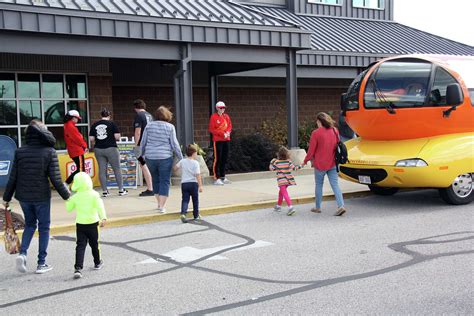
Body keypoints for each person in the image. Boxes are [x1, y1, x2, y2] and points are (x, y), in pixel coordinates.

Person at [2, 120, 70, 274]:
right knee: (44, 227)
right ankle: (41, 263)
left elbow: (13, 177)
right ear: (43, 133)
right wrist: (67, 196)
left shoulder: (20, 151)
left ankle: (23, 253)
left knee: (30, 225)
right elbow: (56, 179)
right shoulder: (49, 151)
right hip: (41, 196)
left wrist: (6, 198)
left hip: (24, 196)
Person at [141, 106, 183, 213]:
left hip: (150, 157)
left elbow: (143, 142)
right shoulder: (170, 127)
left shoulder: (149, 126)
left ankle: (159, 203)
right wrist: (181, 157)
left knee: (155, 180)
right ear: (167, 115)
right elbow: (174, 144)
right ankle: (162, 206)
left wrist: (140, 155)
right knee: (165, 181)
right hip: (165, 157)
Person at [304, 112, 346, 216]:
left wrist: (305, 161)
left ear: (319, 121)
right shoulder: (334, 130)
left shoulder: (316, 133)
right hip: (332, 163)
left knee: (319, 185)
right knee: (335, 185)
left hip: (320, 165)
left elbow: (311, 151)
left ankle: (318, 207)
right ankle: (341, 206)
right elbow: (337, 145)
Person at [66, 172, 107, 279]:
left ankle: (78, 268)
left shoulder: (75, 197)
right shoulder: (94, 195)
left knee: (80, 246)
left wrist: (68, 198)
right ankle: (97, 262)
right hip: (93, 223)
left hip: (80, 224)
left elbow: (68, 209)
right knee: (95, 244)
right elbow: (100, 207)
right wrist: (103, 217)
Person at [89, 109, 128, 197]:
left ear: (101, 115)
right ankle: (121, 190)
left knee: (102, 170)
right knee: (117, 169)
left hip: (98, 149)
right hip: (111, 148)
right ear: (109, 116)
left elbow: (91, 139)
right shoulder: (112, 124)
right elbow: (117, 137)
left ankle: (105, 191)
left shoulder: (95, 124)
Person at [269, 146, 303, 216]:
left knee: (285, 194)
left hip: (281, 181)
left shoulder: (276, 162)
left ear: (279, 154)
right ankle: (278, 206)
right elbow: (294, 168)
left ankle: (291, 207)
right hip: (288, 181)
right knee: (281, 193)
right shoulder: (288, 162)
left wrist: (271, 162)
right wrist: (301, 165)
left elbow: (271, 169)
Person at [174, 144, 203, 223]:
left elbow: (175, 168)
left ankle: (183, 213)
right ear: (193, 153)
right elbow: (198, 175)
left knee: (185, 199)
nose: (196, 154)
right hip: (193, 183)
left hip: (184, 183)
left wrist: (178, 171)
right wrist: (200, 186)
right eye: (196, 153)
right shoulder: (195, 163)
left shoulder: (183, 161)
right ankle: (196, 215)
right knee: (195, 200)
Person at [132, 99, 154, 196]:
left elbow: (138, 132)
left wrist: (136, 145)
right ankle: (152, 187)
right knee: (147, 165)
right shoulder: (150, 115)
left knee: (143, 165)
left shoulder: (139, 116)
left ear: (135, 108)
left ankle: (150, 188)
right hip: (151, 144)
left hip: (142, 145)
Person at [208, 101, 232, 185]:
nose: (223, 109)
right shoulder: (213, 117)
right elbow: (211, 129)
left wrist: (228, 133)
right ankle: (216, 177)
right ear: (217, 108)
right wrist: (222, 134)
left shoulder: (226, 116)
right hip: (218, 140)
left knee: (224, 158)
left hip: (226, 139)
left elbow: (229, 126)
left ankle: (223, 176)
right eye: (221, 108)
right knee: (217, 158)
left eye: (224, 108)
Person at [64, 109, 88, 186]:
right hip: (77, 150)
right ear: (73, 117)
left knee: (80, 169)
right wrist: (84, 146)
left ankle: (68, 183)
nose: (78, 119)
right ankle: (67, 183)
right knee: (80, 170)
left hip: (73, 150)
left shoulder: (67, 125)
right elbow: (78, 138)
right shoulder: (71, 126)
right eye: (77, 118)